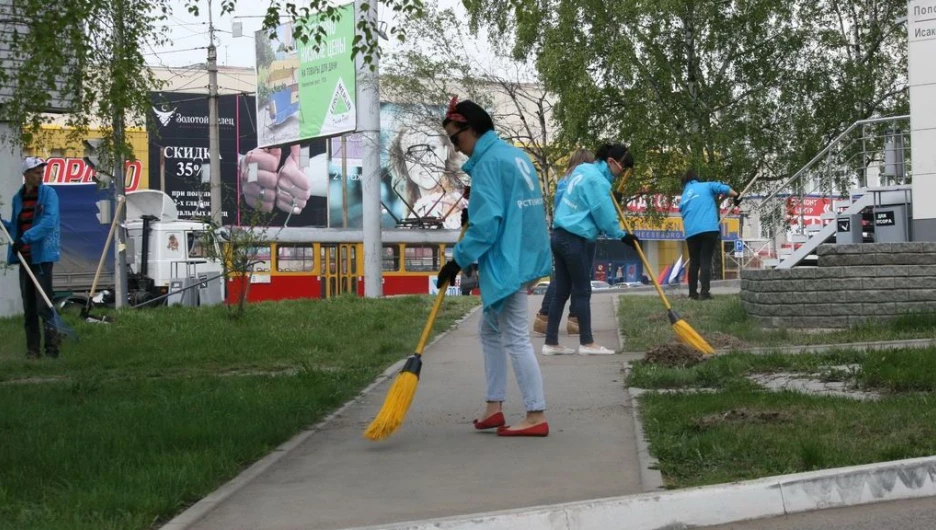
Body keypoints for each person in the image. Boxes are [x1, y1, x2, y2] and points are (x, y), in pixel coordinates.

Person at [436, 96, 552, 437]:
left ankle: (536, 414)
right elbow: (511, 208)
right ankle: (494, 407)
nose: (456, 149)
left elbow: (487, 227)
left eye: (456, 139)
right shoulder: (514, 155)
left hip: (508, 259)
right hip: (524, 254)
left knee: (515, 336)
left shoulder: (487, 165)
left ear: (472, 129)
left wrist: (456, 260)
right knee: (489, 331)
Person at [542, 143, 639, 356]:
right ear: (612, 162)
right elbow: (603, 215)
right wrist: (624, 236)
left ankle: (550, 342)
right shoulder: (598, 181)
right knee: (583, 290)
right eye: (622, 167)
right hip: (574, 239)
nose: (621, 173)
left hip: (559, 235)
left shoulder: (583, 169)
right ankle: (587, 342)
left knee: (561, 291)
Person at [2, 157, 62, 359]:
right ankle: (32, 351)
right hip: (24, 258)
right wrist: (3, 223)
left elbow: (48, 222)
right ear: (26, 175)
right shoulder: (17, 199)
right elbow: (15, 227)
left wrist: (25, 238)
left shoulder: (48, 194)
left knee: (43, 305)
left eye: (41, 171)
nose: (40, 174)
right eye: (36, 171)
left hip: (42, 258)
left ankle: (52, 349)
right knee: (28, 307)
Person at [533, 148, 595, 336]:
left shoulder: (563, 181)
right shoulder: (586, 181)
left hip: (560, 232)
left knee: (561, 278)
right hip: (582, 232)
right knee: (581, 278)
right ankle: (575, 319)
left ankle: (544, 317)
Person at [388, 125, 468, 229]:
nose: (423, 160)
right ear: (403, 162)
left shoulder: (455, 204)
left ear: (445, 152)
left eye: (432, 147)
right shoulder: (414, 206)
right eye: (412, 152)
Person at [678, 170, 739, 300]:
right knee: (705, 260)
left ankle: (692, 294)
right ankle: (704, 293)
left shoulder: (684, 196)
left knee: (694, 262)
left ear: (685, 183)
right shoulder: (706, 185)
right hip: (708, 228)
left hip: (691, 232)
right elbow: (724, 188)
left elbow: (682, 212)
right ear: (696, 178)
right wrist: (736, 195)